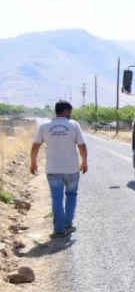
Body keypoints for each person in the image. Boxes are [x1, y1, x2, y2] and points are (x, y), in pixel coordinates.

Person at [30, 101, 89, 240]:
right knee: (71, 195)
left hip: (53, 169)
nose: (71, 114)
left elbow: (35, 146)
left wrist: (33, 163)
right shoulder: (74, 125)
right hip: (72, 169)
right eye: (70, 112)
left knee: (57, 199)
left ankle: (59, 229)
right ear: (66, 111)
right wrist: (84, 162)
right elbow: (82, 146)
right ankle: (68, 224)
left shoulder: (44, 126)